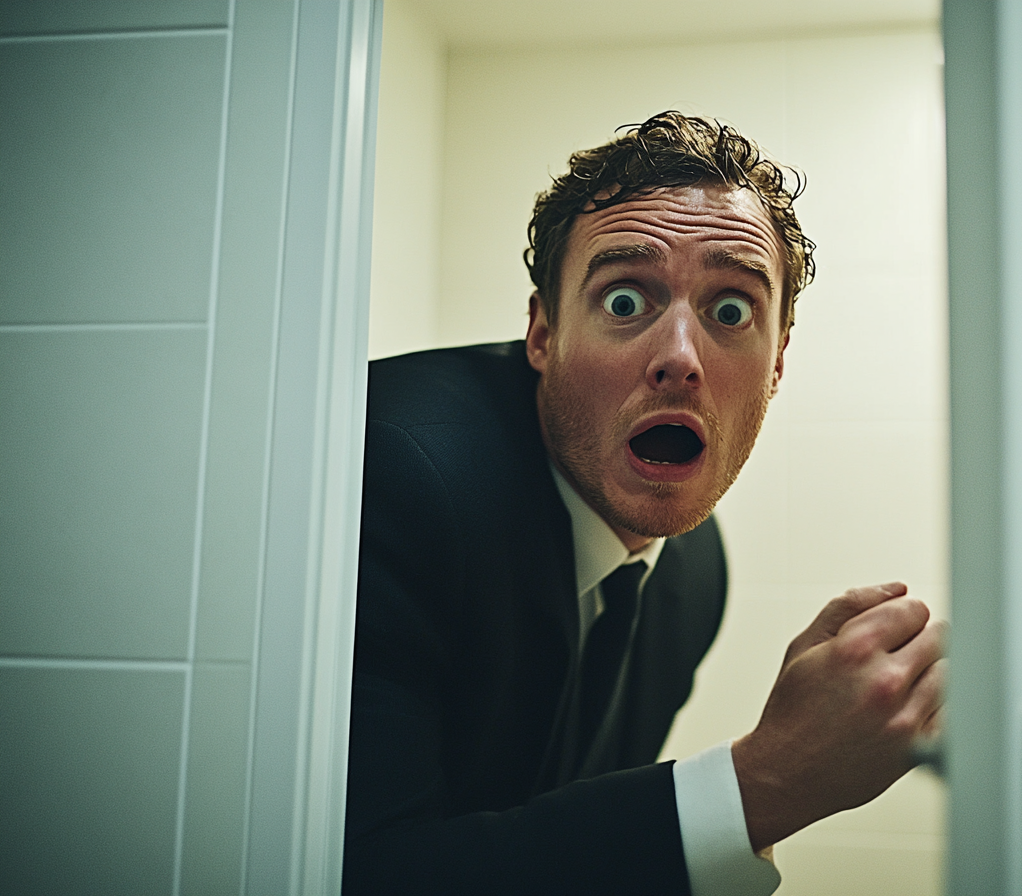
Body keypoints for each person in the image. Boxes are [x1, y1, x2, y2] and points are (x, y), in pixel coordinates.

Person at [342, 111, 946, 895]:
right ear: (543, 332)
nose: (680, 359)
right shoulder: (392, 475)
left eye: (731, 311)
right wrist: (763, 783)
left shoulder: (694, 570)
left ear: (779, 361)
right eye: (625, 301)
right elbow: (362, 873)